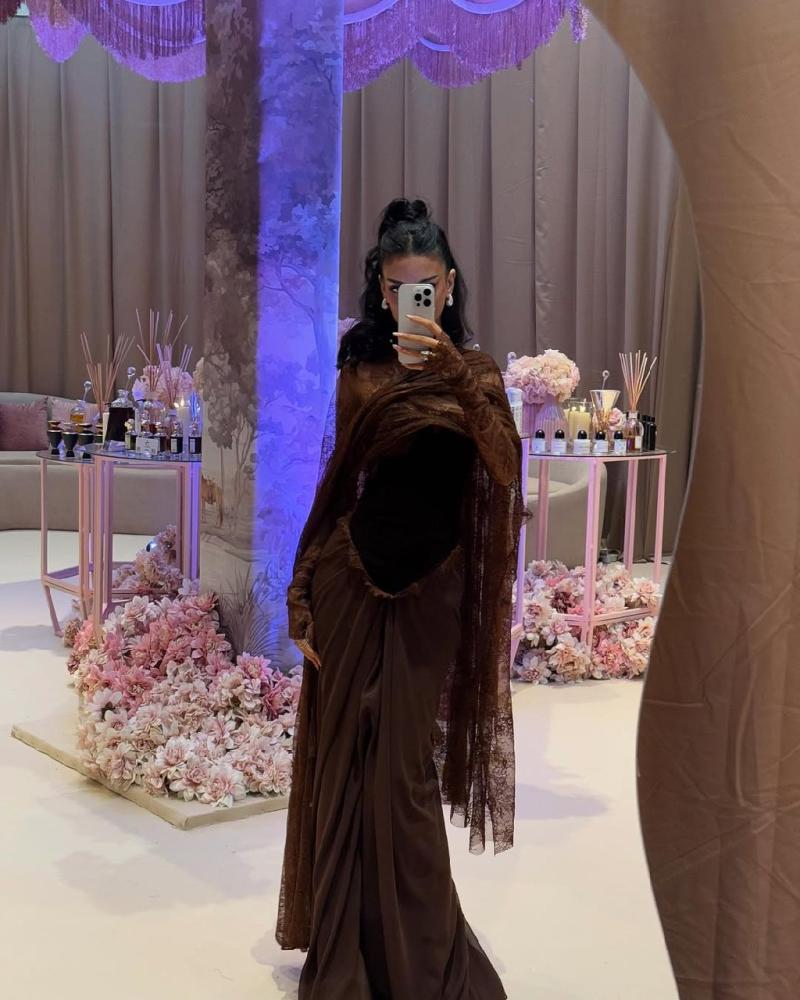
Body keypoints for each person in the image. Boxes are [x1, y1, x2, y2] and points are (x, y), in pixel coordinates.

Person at [277, 198, 525, 999]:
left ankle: (421, 964)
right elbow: (339, 483)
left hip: (430, 594)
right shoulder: (361, 370)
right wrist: (301, 587)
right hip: (350, 582)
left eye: (426, 286)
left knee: (404, 781)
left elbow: (505, 468)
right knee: (344, 768)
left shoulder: (478, 375)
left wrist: (451, 372)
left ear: (448, 284)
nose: (411, 299)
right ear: (381, 291)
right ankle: (350, 958)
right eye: (396, 289)